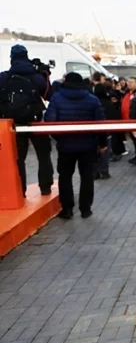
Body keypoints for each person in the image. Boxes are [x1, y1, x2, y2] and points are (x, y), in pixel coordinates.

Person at [44, 72, 106, 219]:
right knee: (87, 176)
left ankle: (67, 209)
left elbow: (49, 121)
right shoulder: (92, 99)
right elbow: (101, 123)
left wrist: (59, 138)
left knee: (65, 176)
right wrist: (102, 142)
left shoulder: (57, 98)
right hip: (88, 144)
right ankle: (85, 209)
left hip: (66, 145)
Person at [0, 44, 54, 197]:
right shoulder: (36, 76)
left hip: (13, 124)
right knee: (43, 155)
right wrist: (45, 75)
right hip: (36, 121)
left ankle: (20, 190)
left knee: (18, 159)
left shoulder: (4, 77)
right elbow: (48, 95)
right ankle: (45, 187)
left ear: (11, 58)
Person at [91, 83, 114, 179]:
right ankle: (104, 171)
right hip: (107, 130)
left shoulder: (92, 102)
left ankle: (94, 172)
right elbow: (113, 115)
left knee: (94, 153)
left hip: (93, 130)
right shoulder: (108, 102)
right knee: (105, 152)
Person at [122, 77, 136, 164]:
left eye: (131, 82)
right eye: (128, 82)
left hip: (135, 122)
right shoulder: (127, 93)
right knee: (134, 140)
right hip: (128, 121)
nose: (129, 84)